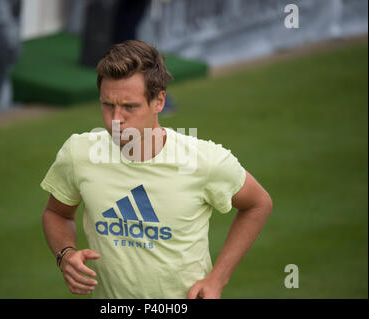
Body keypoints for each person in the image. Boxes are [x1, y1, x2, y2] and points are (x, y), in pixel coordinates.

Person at [40, 40, 273, 299]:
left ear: (159, 101)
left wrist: (217, 279)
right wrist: (65, 254)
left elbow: (258, 203)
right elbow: (57, 213)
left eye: (130, 107)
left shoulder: (204, 160)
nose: (116, 120)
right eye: (107, 105)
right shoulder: (79, 153)